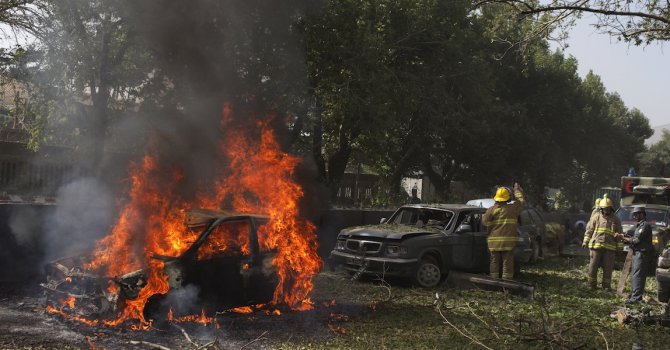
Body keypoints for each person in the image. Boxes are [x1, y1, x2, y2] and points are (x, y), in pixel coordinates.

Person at [483, 183, 525, 280]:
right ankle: (506, 285)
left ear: (496, 198)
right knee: (507, 264)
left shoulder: (491, 210)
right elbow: (521, 202)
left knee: (494, 264)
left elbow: (484, 222)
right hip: (508, 243)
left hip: (494, 244)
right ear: (508, 198)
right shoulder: (513, 209)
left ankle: (494, 283)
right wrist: (516, 190)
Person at [582, 196, 624, 291]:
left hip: (610, 248)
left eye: (608, 208)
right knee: (593, 266)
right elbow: (589, 230)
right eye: (605, 208)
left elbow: (620, 234)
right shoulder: (596, 217)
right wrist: (585, 241)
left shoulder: (616, 219)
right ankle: (591, 285)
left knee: (608, 268)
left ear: (611, 208)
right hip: (596, 246)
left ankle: (606, 286)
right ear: (601, 208)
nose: (606, 210)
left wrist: (620, 247)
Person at [622, 206, 653, 304]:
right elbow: (635, 237)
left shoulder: (644, 226)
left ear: (642, 214)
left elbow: (636, 240)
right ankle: (635, 295)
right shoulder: (640, 225)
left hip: (641, 254)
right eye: (634, 214)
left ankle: (636, 298)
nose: (634, 216)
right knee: (636, 275)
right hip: (638, 253)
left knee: (638, 275)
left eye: (636, 214)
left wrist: (623, 238)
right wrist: (626, 237)